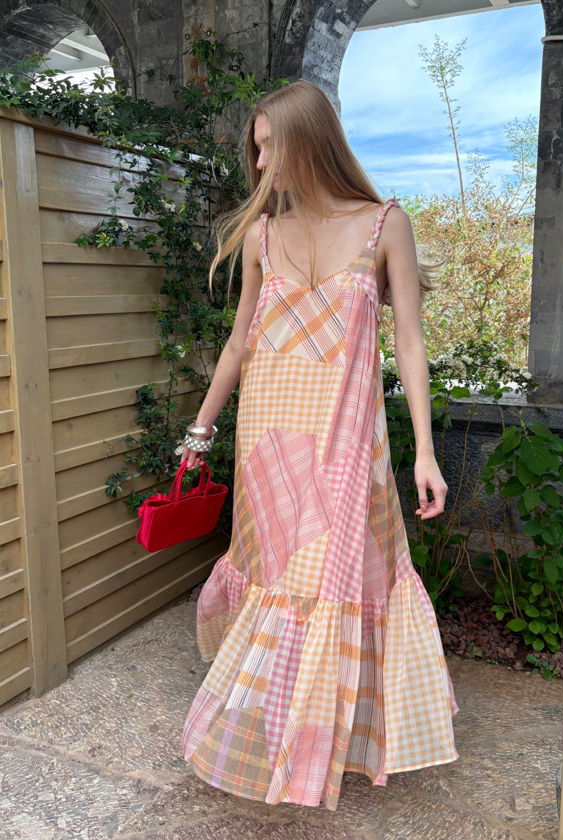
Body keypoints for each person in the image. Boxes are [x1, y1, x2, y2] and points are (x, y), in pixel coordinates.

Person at [180, 79, 458, 811]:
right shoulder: (262, 237)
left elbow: (410, 343)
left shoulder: (384, 225)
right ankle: (284, 735)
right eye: (255, 147)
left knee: (327, 583)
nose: (258, 162)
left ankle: (313, 746)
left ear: (310, 142)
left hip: (347, 441)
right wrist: (200, 430)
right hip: (268, 440)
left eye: (270, 145)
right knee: (279, 580)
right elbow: (239, 344)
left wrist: (425, 452)